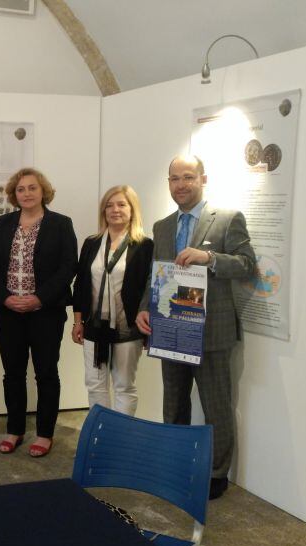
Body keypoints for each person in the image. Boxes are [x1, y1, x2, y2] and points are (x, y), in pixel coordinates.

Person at [135, 155, 255, 499]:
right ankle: (174, 462)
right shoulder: (162, 226)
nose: (181, 185)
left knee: (216, 406)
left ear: (203, 179)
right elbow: (154, 275)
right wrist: (145, 309)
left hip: (212, 333)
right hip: (171, 327)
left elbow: (248, 265)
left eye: (188, 177)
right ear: (168, 182)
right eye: (174, 179)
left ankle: (217, 473)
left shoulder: (228, 219)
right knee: (173, 403)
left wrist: (210, 258)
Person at [0, 167, 77, 457]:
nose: (26, 193)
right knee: (12, 374)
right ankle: (15, 430)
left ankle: (45, 433)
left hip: (45, 312)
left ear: (43, 191)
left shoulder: (60, 224)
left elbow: (68, 267)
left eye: (32, 188)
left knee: (46, 373)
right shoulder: (3, 223)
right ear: (15, 194)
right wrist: (5, 298)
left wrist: (38, 298)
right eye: (21, 189)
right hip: (9, 311)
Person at [72, 185, 153, 416]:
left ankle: (120, 437)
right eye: (109, 205)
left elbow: (149, 287)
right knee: (95, 385)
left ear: (132, 209)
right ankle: (100, 436)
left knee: (124, 386)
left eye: (121, 204)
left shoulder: (145, 245)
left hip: (127, 327)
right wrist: (78, 321)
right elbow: (80, 285)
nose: (114, 209)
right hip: (94, 328)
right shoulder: (92, 243)